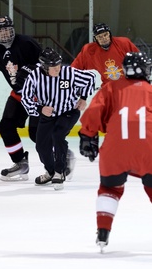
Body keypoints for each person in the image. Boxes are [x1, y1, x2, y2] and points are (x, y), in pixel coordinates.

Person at [0, 15, 76, 182]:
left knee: (36, 134)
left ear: (12, 30)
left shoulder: (26, 43)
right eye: (0, 31)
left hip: (38, 95)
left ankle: (62, 154)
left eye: (6, 30)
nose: (4, 34)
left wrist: (30, 69)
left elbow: (46, 63)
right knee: (6, 127)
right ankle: (20, 163)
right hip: (19, 95)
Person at [78, 51, 152, 252]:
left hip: (115, 149)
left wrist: (87, 136)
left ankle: (103, 232)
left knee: (110, 189)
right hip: (148, 148)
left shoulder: (110, 88)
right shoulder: (150, 90)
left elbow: (93, 113)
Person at [21, 47, 95, 190]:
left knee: (58, 135)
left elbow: (90, 78)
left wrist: (83, 98)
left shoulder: (68, 72)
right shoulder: (34, 76)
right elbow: (25, 98)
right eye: (53, 67)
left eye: (58, 65)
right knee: (41, 146)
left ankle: (59, 172)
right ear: (44, 67)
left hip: (68, 111)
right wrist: (39, 109)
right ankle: (50, 172)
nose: (57, 69)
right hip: (47, 115)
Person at [71, 23, 139, 87]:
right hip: (108, 89)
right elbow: (74, 68)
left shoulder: (124, 43)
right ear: (95, 39)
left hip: (128, 86)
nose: (103, 38)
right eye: (99, 37)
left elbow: (139, 60)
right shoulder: (89, 50)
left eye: (105, 35)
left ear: (110, 34)